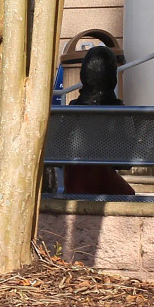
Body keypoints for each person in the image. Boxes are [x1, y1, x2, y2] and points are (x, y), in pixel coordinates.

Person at [59, 44, 136, 197]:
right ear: (112, 76)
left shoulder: (71, 110)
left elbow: (59, 150)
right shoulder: (118, 112)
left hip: (74, 183)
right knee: (129, 194)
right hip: (99, 182)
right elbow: (125, 162)